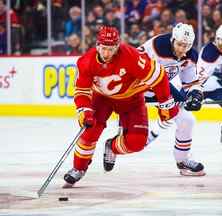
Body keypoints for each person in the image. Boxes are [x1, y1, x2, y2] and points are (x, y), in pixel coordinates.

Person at [63, 26, 179, 187]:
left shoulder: (131, 56)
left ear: (117, 46)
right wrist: (85, 111)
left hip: (132, 99)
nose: (106, 53)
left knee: (137, 142)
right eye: (103, 48)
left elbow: (159, 76)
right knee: (89, 132)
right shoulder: (86, 62)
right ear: (97, 45)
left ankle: (112, 147)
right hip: (102, 98)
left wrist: (165, 103)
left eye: (110, 49)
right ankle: (79, 168)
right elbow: (82, 91)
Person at [139, 23, 206, 176]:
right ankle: (111, 148)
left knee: (187, 120)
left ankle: (182, 160)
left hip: (162, 89)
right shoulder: (157, 46)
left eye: (187, 45)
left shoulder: (191, 56)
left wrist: (195, 94)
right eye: (180, 44)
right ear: (172, 40)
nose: (183, 49)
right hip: (138, 89)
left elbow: (189, 82)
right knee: (132, 138)